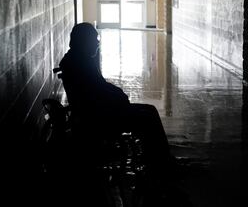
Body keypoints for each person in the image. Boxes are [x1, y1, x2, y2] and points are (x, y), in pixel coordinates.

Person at [58, 22, 174, 174]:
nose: (97, 42)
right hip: (100, 117)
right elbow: (98, 92)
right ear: (85, 41)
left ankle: (157, 159)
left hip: (95, 112)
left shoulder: (76, 59)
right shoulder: (81, 63)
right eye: (94, 39)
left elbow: (99, 87)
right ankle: (161, 163)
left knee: (149, 111)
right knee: (147, 117)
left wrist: (117, 94)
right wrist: (120, 98)